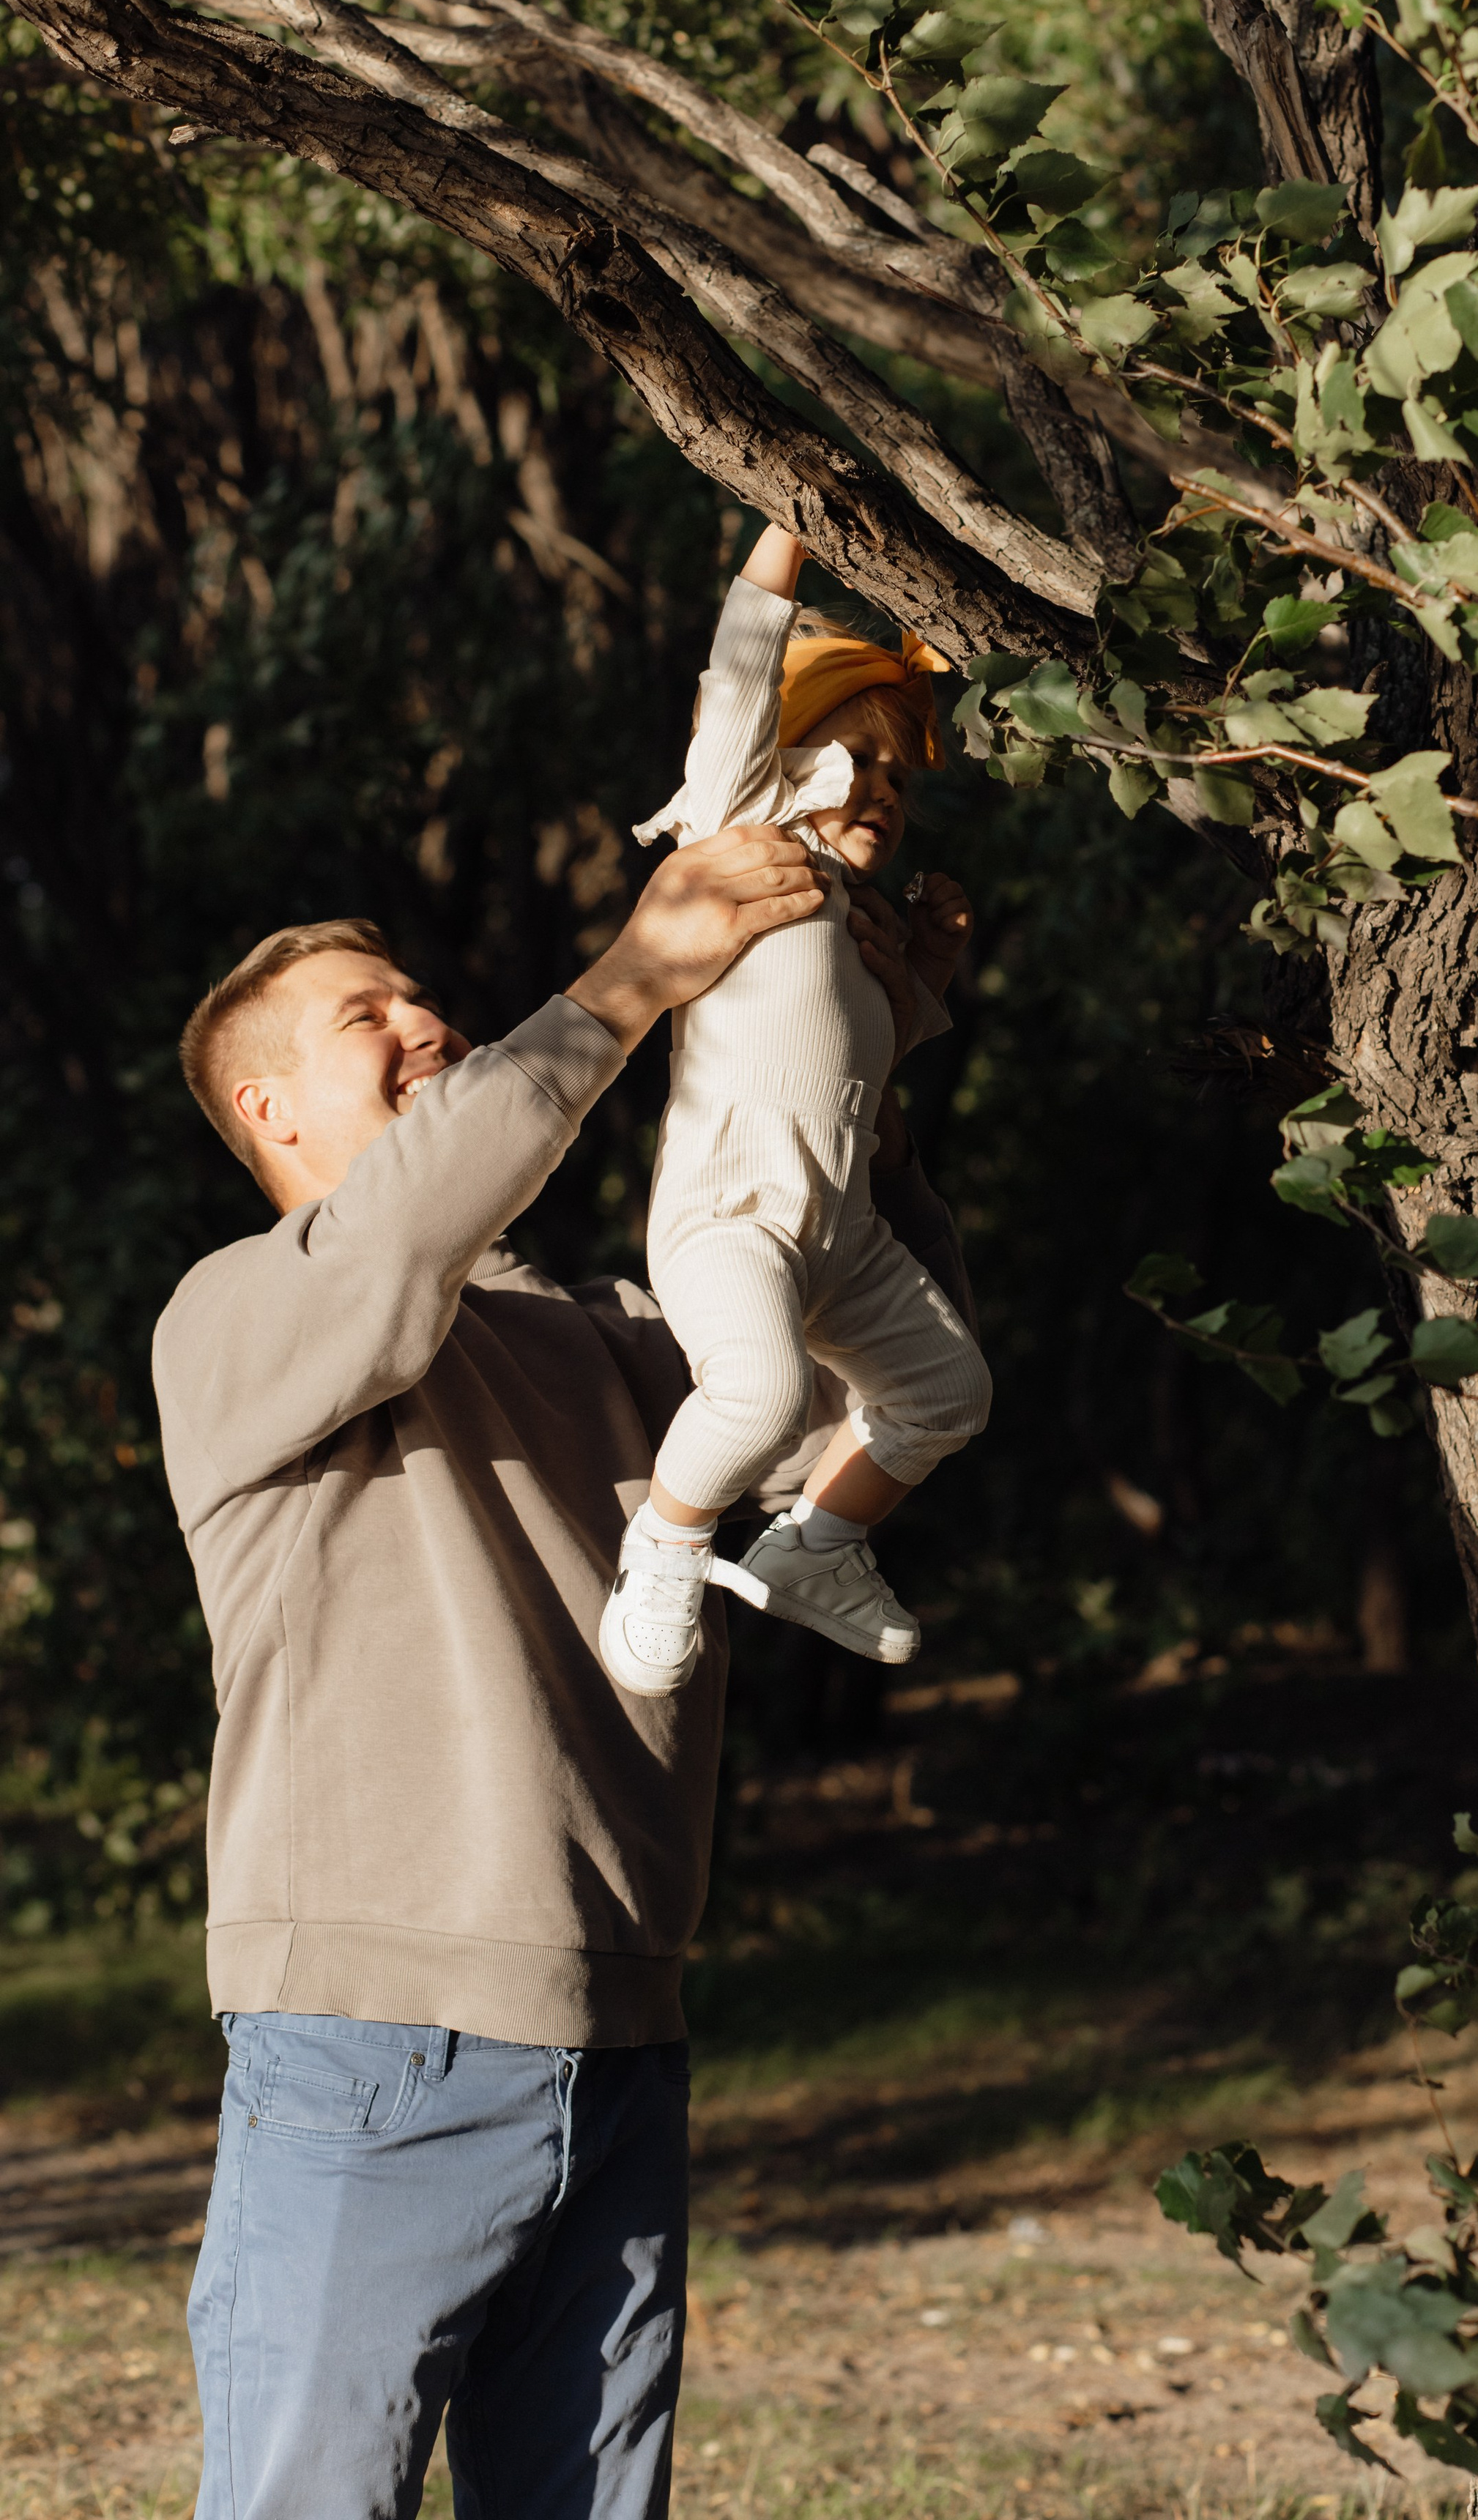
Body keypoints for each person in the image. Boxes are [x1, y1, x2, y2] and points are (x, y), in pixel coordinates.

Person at [153, 816, 978, 2520]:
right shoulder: (238, 1319)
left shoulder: (611, 1338)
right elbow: (393, 1251)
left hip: (619, 2030)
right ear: (270, 1111)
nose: (425, 1022)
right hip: (370, 2047)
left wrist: (868, 1070)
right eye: (365, 1017)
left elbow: (856, 1386)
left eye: (421, 996)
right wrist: (629, 981)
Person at [607, 524, 992, 1699]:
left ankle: (814, 1550)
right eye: (855, 759)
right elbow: (737, 678)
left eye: (900, 776)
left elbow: (865, 1066)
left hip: (844, 1231)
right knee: (763, 1392)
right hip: (733, 1214)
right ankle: (665, 1550)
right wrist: (786, 527)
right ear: (788, 761)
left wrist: (926, 972)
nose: (882, 787)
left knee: (948, 1390)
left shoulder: (855, 923)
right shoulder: (743, 839)